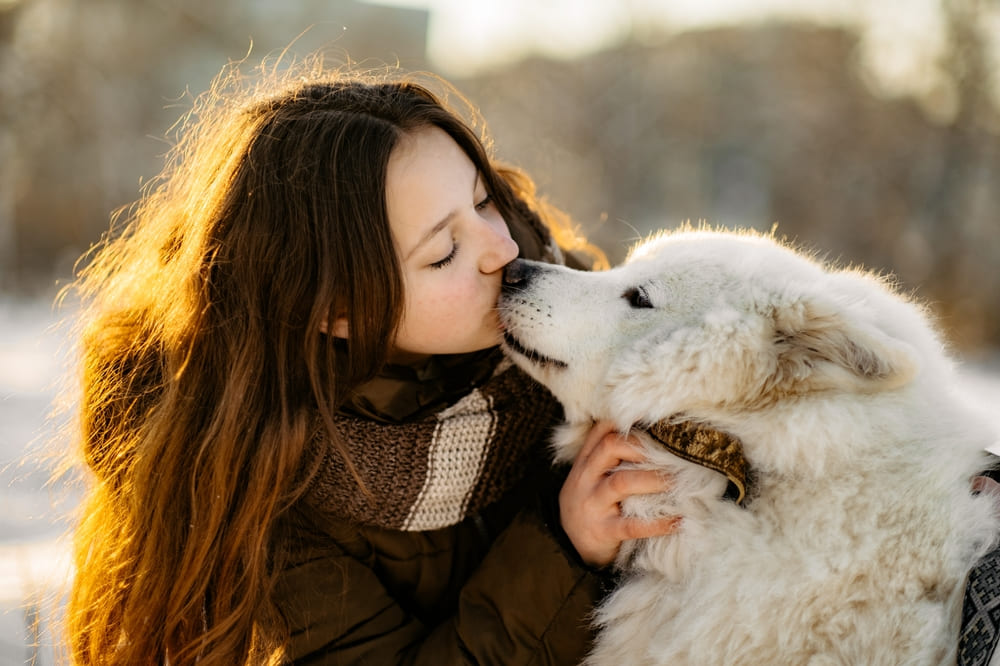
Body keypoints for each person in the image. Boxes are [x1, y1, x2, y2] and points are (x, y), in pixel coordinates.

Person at [63, 56, 683, 665]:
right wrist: (563, 548)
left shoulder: (577, 310)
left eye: (483, 201)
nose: (505, 249)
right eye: (444, 252)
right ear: (338, 312)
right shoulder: (266, 490)